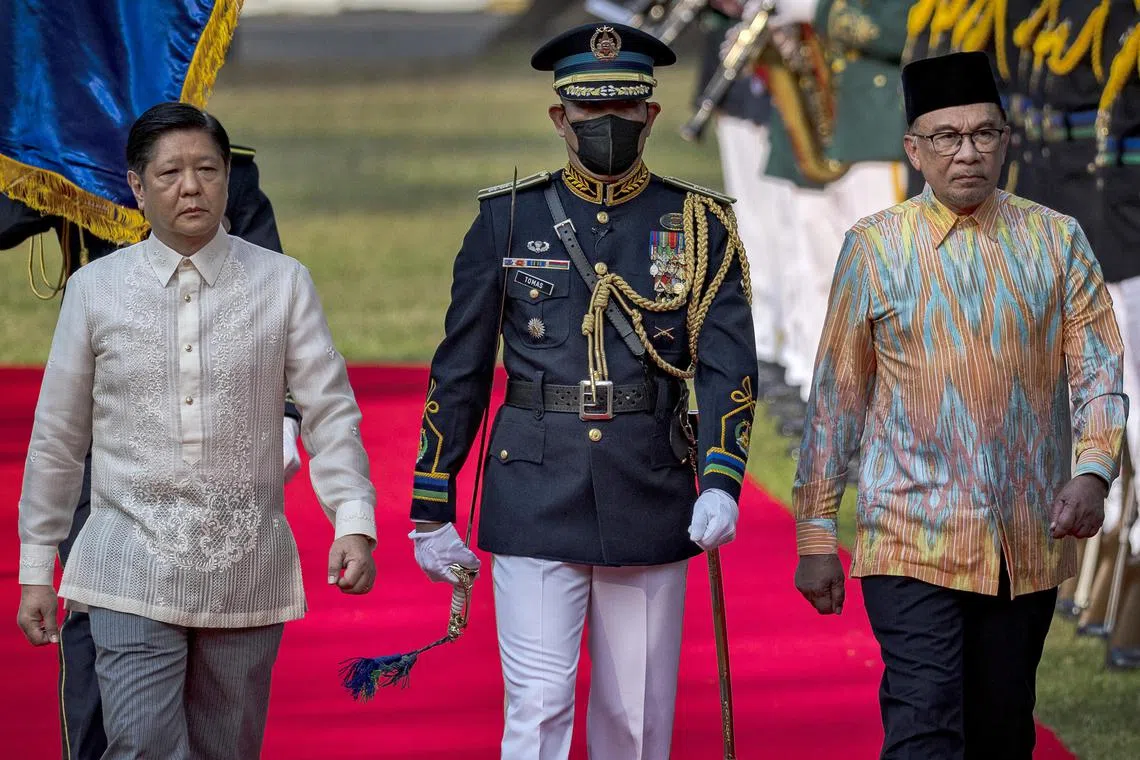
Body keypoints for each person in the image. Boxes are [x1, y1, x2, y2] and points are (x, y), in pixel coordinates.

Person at [406, 22, 757, 760]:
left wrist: (723, 480)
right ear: (559, 117)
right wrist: (431, 501)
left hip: (648, 483)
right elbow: (461, 366)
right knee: (538, 709)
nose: (606, 124)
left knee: (636, 720)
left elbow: (728, 367)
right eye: (589, 110)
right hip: (535, 485)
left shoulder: (699, 223)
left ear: (650, 115)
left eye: (622, 109)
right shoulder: (508, 217)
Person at [15, 102, 377, 760]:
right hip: (127, 563)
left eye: (207, 170)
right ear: (137, 186)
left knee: (225, 750)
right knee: (142, 745)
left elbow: (328, 410)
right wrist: (37, 566)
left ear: (228, 180)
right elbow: (58, 438)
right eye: (171, 173)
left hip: (247, 567)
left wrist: (351, 520)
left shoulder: (283, 283)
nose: (191, 187)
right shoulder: (96, 289)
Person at [791, 51, 1126, 758]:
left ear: (1007, 140)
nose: (967, 152)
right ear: (914, 149)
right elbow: (836, 398)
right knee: (925, 724)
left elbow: (1098, 373)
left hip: (1023, 540)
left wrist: (1094, 471)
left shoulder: (1058, 240)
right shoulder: (874, 248)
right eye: (946, 136)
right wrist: (817, 535)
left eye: (983, 133)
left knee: (1001, 730)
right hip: (910, 537)